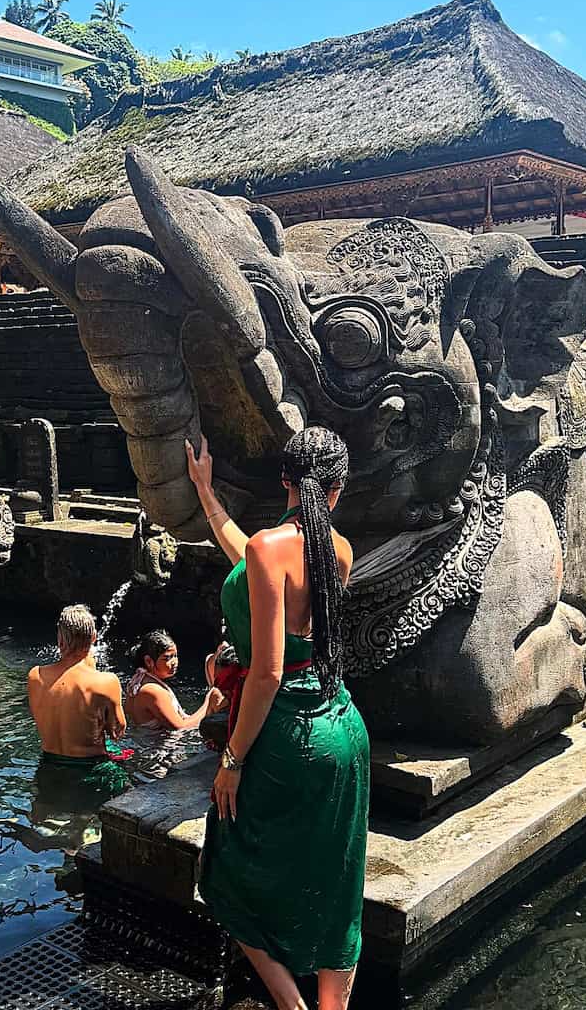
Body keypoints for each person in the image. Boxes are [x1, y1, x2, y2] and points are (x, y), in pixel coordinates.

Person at [188, 427, 370, 1010]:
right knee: (335, 879)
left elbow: (266, 672)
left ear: (285, 480)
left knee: (229, 872)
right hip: (341, 727)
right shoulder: (336, 551)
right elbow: (245, 550)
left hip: (285, 732)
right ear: (337, 492)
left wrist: (232, 762)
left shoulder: (269, 550)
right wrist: (205, 494)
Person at [27, 604, 130, 799]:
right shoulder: (106, 681)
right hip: (92, 772)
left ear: (60, 639)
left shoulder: (35, 675)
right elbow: (117, 731)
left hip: (48, 771)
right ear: (93, 638)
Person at [124, 629, 224, 730]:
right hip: (155, 745)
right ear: (148, 661)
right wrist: (209, 701)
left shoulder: (138, 680)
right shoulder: (153, 691)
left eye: (175, 656)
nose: (174, 662)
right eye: (167, 658)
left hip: (142, 742)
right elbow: (181, 728)